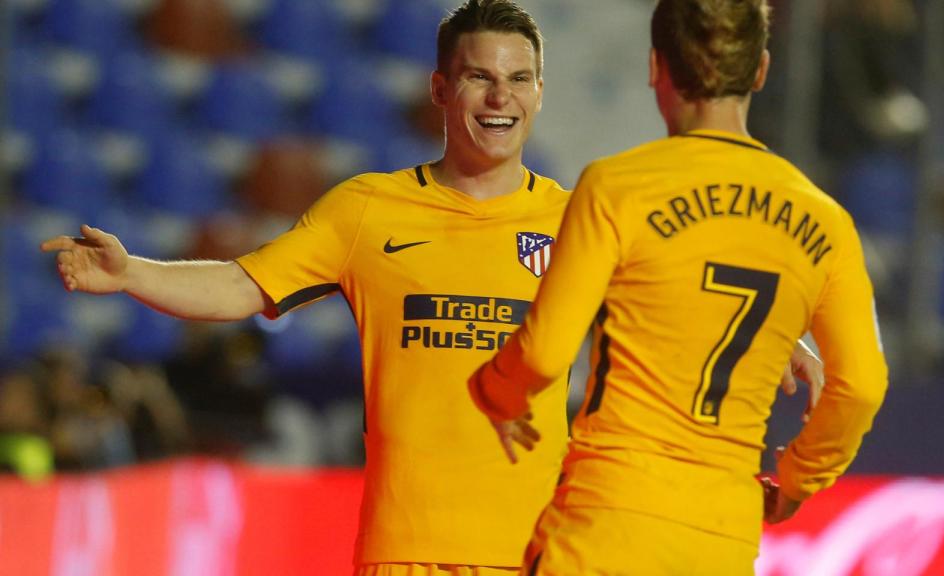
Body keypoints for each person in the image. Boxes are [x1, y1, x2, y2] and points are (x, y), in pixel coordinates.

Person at [42, 1, 822, 573]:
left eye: (519, 80)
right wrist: (134, 272)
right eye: (479, 77)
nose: (499, 98)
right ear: (441, 90)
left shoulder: (581, 215)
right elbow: (244, 286)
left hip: (545, 552)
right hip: (406, 551)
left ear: (540, 95)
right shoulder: (367, 210)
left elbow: (684, 304)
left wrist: (786, 335)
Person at [467, 0, 889, 574]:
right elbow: (861, 386)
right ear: (760, 70)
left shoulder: (618, 188)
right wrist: (797, 480)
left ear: (655, 67)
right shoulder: (825, 220)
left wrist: (498, 394)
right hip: (722, 539)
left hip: (607, 524)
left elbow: (543, 354)